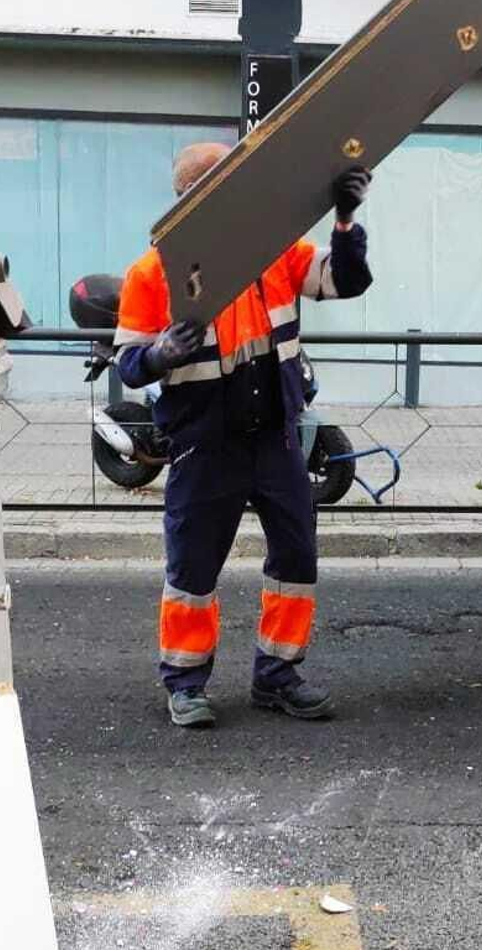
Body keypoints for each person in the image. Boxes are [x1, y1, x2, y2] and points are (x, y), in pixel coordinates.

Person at [115, 143, 373, 727]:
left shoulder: (274, 253)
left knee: (296, 559)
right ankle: (184, 683)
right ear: (188, 202)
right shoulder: (153, 272)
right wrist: (158, 353)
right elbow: (127, 364)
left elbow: (348, 281)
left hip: (275, 439)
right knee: (193, 570)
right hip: (205, 446)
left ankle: (277, 676)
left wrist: (346, 219)